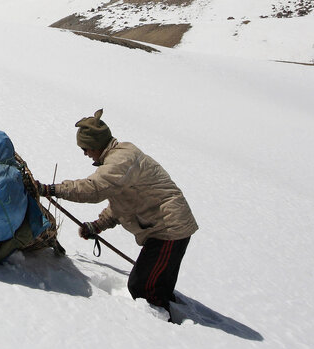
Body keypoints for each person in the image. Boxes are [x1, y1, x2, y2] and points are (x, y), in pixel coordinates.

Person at [35, 109, 197, 320]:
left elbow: (94, 189)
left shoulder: (121, 161)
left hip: (168, 227)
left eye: (85, 148)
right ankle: (167, 311)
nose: (85, 154)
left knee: (143, 287)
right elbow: (123, 204)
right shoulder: (120, 160)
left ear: (96, 145)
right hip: (165, 226)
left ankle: (162, 327)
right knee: (154, 282)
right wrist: (97, 225)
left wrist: (52, 190)